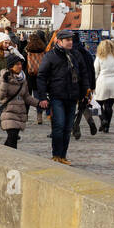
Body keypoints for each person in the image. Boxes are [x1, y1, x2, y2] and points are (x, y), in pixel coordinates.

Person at [36, 29, 82, 164]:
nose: (70, 42)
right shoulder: (51, 56)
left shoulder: (74, 55)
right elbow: (41, 77)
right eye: (67, 40)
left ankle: (63, 156)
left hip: (72, 96)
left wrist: (85, 91)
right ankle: (56, 154)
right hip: (57, 96)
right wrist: (43, 97)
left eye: (71, 40)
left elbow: (82, 74)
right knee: (59, 125)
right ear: (59, 41)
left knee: (68, 128)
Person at [0, 55, 31, 148]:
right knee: (12, 137)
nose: (20, 66)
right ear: (11, 66)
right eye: (17, 64)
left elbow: (27, 97)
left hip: (20, 113)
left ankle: (4, 154)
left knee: (12, 139)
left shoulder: (23, 79)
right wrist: (5, 83)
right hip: (8, 113)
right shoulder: (3, 78)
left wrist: (39, 103)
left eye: (20, 64)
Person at [70, 34, 98, 139]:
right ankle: (90, 122)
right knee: (83, 105)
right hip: (86, 82)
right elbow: (92, 69)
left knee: (71, 106)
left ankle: (75, 128)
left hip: (74, 83)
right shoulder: (86, 53)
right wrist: (92, 85)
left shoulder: (70, 53)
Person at [92, 38, 114, 133]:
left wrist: (93, 84)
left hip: (103, 81)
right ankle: (107, 127)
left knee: (96, 104)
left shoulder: (99, 57)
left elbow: (95, 72)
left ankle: (103, 119)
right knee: (109, 106)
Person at [25, 33, 47, 124]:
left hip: (29, 76)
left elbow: (23, 63)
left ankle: (25, 115)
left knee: (27, 96)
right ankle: (39, 116)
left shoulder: (27, 50)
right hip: (40, 76)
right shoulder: (43, 50)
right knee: (38, 96)